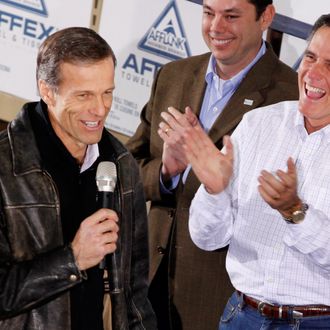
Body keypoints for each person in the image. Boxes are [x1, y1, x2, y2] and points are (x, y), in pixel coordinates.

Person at [126, 0, 298, 329]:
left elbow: (280, 215)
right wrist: (167, 172)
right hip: (145, 285)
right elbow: (127, 168)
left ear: (266, 17)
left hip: (221, 300)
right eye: (208, 13)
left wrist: (220, 181)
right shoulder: (173, 75)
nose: (215, 27)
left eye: (231, 16)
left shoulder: (291, 99)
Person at [171, 13, 330, 329]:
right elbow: (208, 239)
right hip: (240, 317)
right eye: (310, 57)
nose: (313, 73)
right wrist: (214, 192)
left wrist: (295, 211)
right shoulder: (259, 124)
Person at [0, 27, 156, 330]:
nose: (99, 109)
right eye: (84, 95)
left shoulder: (121, 164)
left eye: (107, 92)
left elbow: (134, 291)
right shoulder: (5, 168)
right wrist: (73, 259)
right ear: (47, 91)